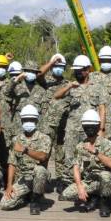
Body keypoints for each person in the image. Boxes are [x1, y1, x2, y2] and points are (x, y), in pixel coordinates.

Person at [53, 55, 106, 198]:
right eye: (75, 70)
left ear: (88, 70)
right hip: (72, 129)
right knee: (69, 157)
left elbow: (102, 108)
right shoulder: (72, 85)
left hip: (90, 131)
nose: (77, 72)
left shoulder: (98, 87)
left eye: (80, 70)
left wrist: (101, 129)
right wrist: (69, 85)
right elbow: (56, 96)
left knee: (89, 159)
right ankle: (69, 189)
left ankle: (88, 189)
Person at [61, 109, 111, 217]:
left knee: (105, 176)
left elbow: (110, 164)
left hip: (102, 180)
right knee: (66, 195)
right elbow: (76, 168)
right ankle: (92, 198)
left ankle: (104, 203)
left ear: (98, 126)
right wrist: (80, 186)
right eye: (86, 126)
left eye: (92, 126)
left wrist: (96, 152)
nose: (89, 129)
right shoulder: (80, 146)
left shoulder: (106, 143)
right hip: (89, 181)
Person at [0, 104, 51, 215]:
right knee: (5, 204)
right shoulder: (16, 139)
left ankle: (35, 201)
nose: (28, 122)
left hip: (40, 177)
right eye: (26, 119)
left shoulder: (44, 138)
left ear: (37, 121)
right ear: (22, 121)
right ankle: (24, 197)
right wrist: (9, 185)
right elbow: (12, 164)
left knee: (40, 170)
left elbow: (43, 157)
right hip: (24, 178)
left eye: (31, 119)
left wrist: (25, 150)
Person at [38, 53, 70, 194]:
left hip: (63, 125)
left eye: (60, 66)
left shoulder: (68, 84)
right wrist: (51, 63)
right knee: (44, 154)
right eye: (56, 66)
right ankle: (41, 182)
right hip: (46, 125)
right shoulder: (46, 82)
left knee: (61, 155)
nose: (58, 68)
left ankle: (61, 183)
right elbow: (39, 74)